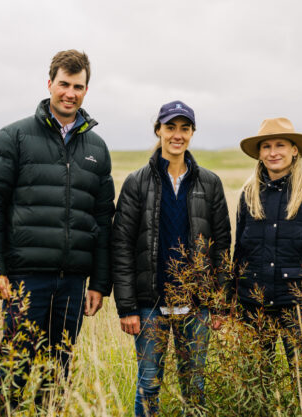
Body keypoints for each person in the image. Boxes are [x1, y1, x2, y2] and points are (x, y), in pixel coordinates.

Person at [0, 50, 115, 404]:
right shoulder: (14, 137)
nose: (70, 93)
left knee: (58, 369)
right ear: (49, 83)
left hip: (72, 281)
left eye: (78, 86)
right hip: (26, 277)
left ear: (86, 90)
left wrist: (99, 282)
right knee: (15, 366)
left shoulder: (97, 148)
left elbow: (102, 219)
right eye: (64, 84)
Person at [112, 100, 231, 416]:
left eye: (184, 128)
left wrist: (219, 303)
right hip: (150, 305)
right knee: (148, 385)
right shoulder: (137, 182)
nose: (177, 135)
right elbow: (121, 246)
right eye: (170, 127)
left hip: (197, 307)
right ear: (158, 130)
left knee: (195, 388)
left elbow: (222, 250)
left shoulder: (210, 183)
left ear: (192, 133)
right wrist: (127, 307)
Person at [234, 117, 302, 414]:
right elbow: (239, 252)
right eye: (266, 146)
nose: (273, 152)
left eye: (280, 145)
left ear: (294, 151)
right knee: (255, 385)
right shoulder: (248, 194)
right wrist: (232, 302)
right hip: (255, 304)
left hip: (298, 305)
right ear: (260, 152)